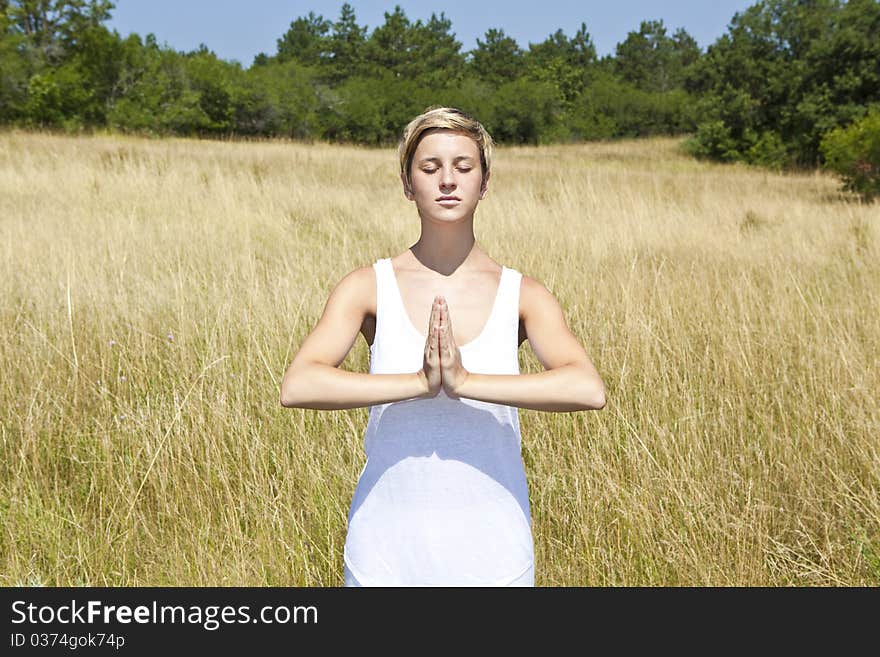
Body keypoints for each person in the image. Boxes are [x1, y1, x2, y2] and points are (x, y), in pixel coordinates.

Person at [280, 106, 606, 587]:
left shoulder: (523, 293)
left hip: (496, 554)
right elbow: (298, 384)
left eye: (463, 167)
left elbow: (587, 388)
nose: (447, 180)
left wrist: (467, 383)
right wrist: (417, 383)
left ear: (485, 181)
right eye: (430, 168)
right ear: (408, 183)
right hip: (384, 552)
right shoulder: (368, 286)